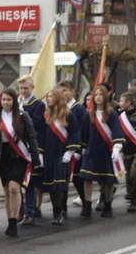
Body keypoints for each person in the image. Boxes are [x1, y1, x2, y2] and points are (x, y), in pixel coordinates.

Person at [0, 88, 40, 237]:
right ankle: (10, 220)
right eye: (3, 100)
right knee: (7, 191)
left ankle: (15, 221)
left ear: (14, 101)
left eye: (9, 100)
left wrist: (36, 157)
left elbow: (31, 137)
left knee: (15, 188)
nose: (6, 102)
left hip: (19, 156)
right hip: (3, 157)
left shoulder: (22, 116)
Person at [78, 85, 125, 219]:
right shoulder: (89, 114)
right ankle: (87, 205)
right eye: (96, 95)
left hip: (106, 151)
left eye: (100, 95)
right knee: (87, 178)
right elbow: (84, 134)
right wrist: (81, 149)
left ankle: (108, 205)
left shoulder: (112, 114)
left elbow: (117, 131)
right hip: (91, 151)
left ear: (105, 97)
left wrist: (116, 148)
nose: (98, 97)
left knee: (107, 179)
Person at [40, 89, 80, 225]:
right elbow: (42, 136)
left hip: (62, 155)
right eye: (48, 96)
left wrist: (70, 152)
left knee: (59, 184)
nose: (48, 99)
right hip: (49, 155)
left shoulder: (68, 115)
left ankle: (60, 210)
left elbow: (74, 133)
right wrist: (40, 152)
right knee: (51, 185)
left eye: (51, 96)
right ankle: (56, 211)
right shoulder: (46, 115)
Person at [16, 76, 46, 227]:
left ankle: (30, 212)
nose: (22, 91)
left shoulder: (38, 104)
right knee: (18, 182)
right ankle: (19, 211)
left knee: (30, 182)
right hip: (17, 147)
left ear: (32, 87)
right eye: (20, 88)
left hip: (30, 147)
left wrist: (22, 117)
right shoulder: (16, 103)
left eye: (25, 88)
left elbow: (37, 124)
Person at [58, 80, 89, 209]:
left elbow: (81, 130)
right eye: (60, 91)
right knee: (63, 178)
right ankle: (62, 207)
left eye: (65, 90)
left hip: (76, 149)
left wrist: (77, 149)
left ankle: (85, 201)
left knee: (77, 178)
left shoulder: (79, 109)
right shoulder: (59, 109)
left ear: (72, 91)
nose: (62, 94)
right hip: (62, 149)